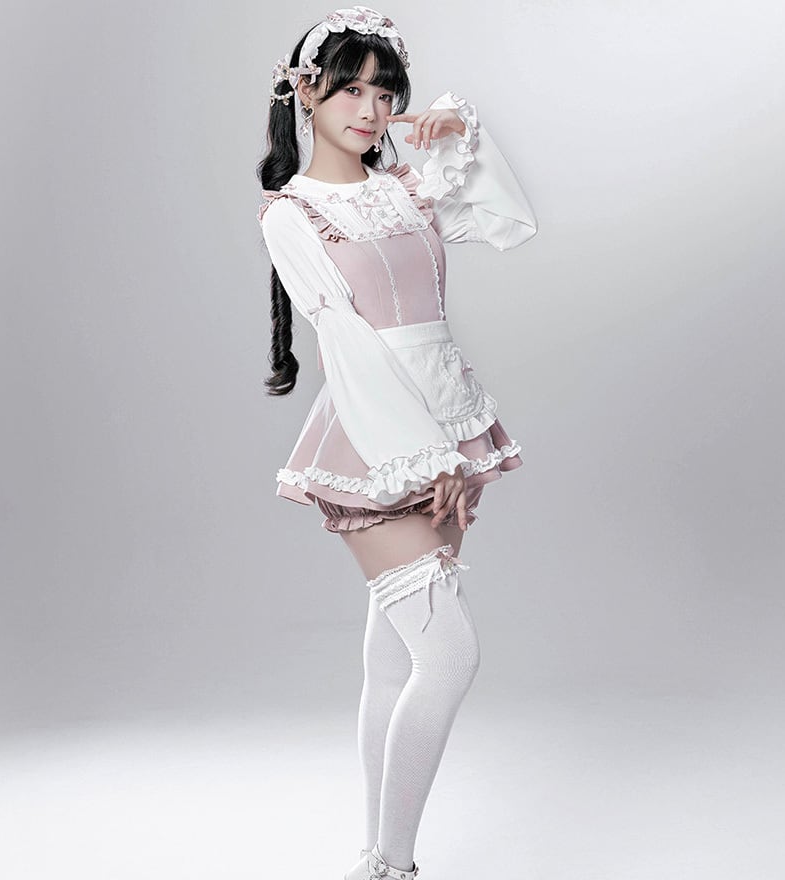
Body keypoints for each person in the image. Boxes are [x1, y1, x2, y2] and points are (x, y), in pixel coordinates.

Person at [256, 7, 536, 878]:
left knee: (393, 655)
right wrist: (432, 456)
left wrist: (452, 133)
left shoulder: (407, 188)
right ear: (306, 92)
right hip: (381, 436)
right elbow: (347, 343)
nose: (372, 109)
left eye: (386, 92)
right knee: (446, 654)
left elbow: (507, 218)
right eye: (351, 89)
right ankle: (395, 866)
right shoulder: (293, 214)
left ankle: (377, 856)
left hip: (444, 414)